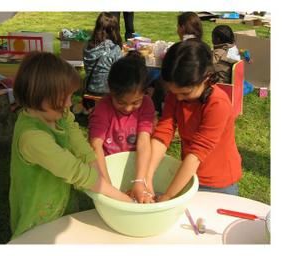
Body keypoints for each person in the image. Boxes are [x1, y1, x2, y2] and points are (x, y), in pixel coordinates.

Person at [10, 52, 132, 239]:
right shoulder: (33, 138)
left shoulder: (58, 112)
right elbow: (76, 172)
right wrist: (124, 200)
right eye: (63, 98)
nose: (69, 103)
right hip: (37, 210)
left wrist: (104, 183)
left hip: (58, 196)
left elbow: (80, 145)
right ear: (40, 97)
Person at [145, 40, 242, 202]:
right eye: (173, 92)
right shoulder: (176, 95)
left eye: (185, 93)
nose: (178, 98)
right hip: (189, 175)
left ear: (207, 78)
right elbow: (164, 131)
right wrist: (146, 177)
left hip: (218, 183)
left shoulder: (218, 104)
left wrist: (169, 196)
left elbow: (197, 153)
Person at [88, 51, 155, 203]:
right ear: (111, 92)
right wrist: (108, 187)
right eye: (121, 102)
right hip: (107, 166)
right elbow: (95, 146)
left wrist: (139, 181)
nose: (128, 108)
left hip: (134, 165)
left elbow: (144, 142)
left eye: (135, 102)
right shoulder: (103, 108)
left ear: (145, 93)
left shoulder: (146, 104)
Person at [83, 12, 123, 111]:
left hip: (89, 87)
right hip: (106, 91)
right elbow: (120, 73)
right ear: (115, 30)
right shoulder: (114, 49)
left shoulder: (87, 45)